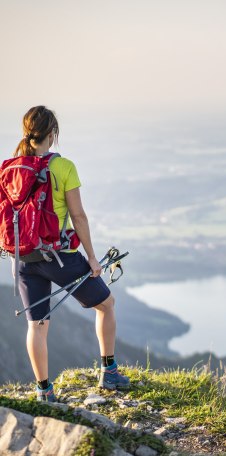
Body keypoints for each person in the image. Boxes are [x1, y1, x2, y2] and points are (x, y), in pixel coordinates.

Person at [11, 106, 129, 402]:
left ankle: (44, 392)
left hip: (24, 259)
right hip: (60, 257)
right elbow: (78, 216)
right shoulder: (63, 168)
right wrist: (91, 257)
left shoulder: (13, 167)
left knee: (36, 325)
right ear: (53, 134)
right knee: (107, 305)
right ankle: (109, 372)